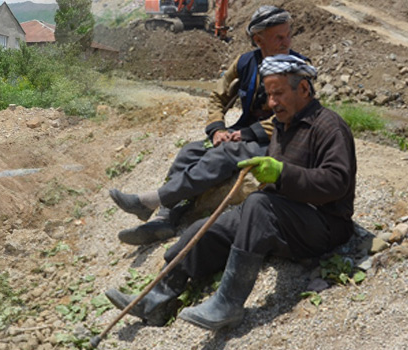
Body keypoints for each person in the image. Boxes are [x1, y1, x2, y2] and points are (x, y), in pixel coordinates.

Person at [103, 55, 357, 331]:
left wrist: (282, 174)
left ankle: (228, 304)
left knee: (259, 204)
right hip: (284, 219)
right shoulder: (283, 126)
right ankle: (155, 299)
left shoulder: (329, 127)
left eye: (279, 93)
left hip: (324, 226)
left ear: (304, 89)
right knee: (207, 229)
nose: (272, 103)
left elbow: (337, 182)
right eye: (269, 94)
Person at [108, 6, 308, 245]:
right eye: (279, 37)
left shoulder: (299, 68)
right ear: (258, 40)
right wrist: (218, 130)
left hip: (279, 140)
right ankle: (166, 217)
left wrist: (242, 134)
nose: (286, 41)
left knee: (226, 153)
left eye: (288, 35)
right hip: (243, 134)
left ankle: (150, 201)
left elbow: (292, 116)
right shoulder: (244, 63)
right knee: (189, 151)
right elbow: (217, 96)